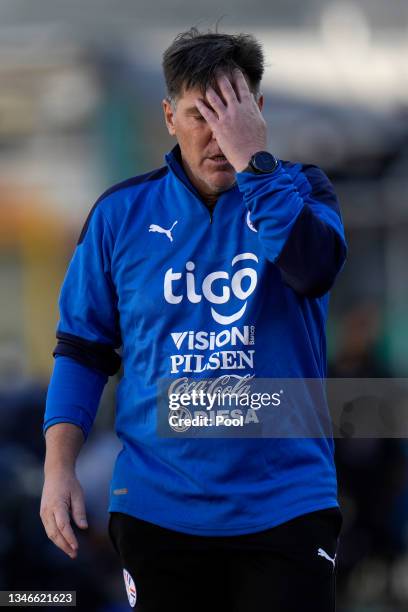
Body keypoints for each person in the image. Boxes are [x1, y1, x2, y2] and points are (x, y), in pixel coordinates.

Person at [40, 28, 347, 612]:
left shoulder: (303, 190)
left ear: (258, 111)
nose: (216, 137)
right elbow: (81, 350)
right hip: (158, 508)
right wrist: (59, 470)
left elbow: (313, 271)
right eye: (199, 115)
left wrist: (256, 165)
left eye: (231, 115)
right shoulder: (119, 214)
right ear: (168, 116)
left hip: (287, 504)